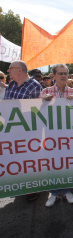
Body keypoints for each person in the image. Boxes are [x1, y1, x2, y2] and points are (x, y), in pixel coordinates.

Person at [39, 64, 73, 207]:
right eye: (60, 73)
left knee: (67, 163)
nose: (63, 76)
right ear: (54, 75)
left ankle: (67, 191)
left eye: (65, 73)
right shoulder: (45, 92)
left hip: (69, 135)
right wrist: (43, 103)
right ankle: (55, 193)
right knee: (53, 164)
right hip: (51, 135)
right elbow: (38, 115)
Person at [4, 61, 43, 201]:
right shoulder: (11, 85)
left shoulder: (35, 86)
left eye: (10, 69)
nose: (8, 71)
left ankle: (34, 188)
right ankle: (21, 185)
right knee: (16, 159)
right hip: (12, 131)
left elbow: (39, 112)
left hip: (29, 133)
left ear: (19, 70)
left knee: (30, 160)